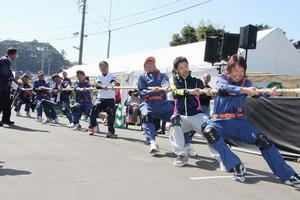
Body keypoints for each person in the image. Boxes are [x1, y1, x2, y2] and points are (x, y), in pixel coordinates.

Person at [202, 54, 300, 188]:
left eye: (242, 71)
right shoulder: (221, 78)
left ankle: (289, 175)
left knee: (263, 141)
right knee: (208, 130)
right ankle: (235, 165)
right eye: (236, 70)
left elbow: (257, 92)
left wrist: (269, 92)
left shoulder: (246, 83)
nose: (239, 74)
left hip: (240, 124)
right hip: (219, 122)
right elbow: (223, 88)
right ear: (228, 70)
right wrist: (244, 90)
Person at [169, 56, 217, 167]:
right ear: (176, 70)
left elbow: (204, 90)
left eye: (186, 66)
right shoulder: (173, 80)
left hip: (196, 115)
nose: (184, 69)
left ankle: (220, 155)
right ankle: (181, 154)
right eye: (181, 68)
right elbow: (175, 91)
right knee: (174, 120)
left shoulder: (196, 80)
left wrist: (208, 92)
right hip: (181, 117)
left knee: (211, 130)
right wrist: (190, 92)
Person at [138, 56, 174, 154]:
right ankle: (152, 142)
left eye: (152, 63)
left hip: (162, 104)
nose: (150, 66)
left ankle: (185, 145)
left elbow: (165, 83)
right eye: (148, 64)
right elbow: (141, 91)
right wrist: (151, 91)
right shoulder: (142, 77)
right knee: (146, 117)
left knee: (177, 117)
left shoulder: (162, 75)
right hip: (148, 103)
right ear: (144, 67)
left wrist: (165, 87)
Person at [88, 61, 117, 138]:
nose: (103, 68)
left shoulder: (112, 75)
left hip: (110, 98)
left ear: (108, 67)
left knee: (111, 113)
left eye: (104, 67)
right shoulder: (98, 76)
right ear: (99, 68)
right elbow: (97, 85)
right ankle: (92, 127)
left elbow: (113, 82)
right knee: (94, 108)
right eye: (101, 67)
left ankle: (111, 131)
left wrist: (111, 85)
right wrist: (104, 87)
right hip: (100, 98)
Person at [0, 48, 18, 126]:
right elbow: (6, 73)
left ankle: (5, 120)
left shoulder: (6, 60)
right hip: (2, 86)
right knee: (1, 104)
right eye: (16, 54)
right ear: (13, 54)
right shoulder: (5, 60)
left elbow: (9, 73)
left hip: (5, 86)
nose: (16, 56)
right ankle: (5, 120)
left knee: (7, 104)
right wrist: (17, 82)